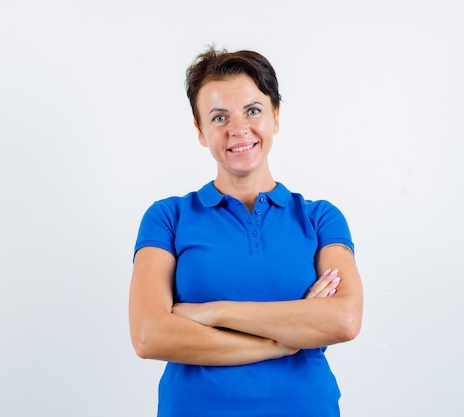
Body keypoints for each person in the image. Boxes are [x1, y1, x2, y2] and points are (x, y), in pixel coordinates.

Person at [128, 47, 363, 417]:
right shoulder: (167, 218)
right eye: (219, 117)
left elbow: (344, 320)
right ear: (200, 131)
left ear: (276, 117)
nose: (238, 129)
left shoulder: (320, 218)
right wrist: (281, 340)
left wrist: (213, 312)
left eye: (253, 110)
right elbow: (149, 335)